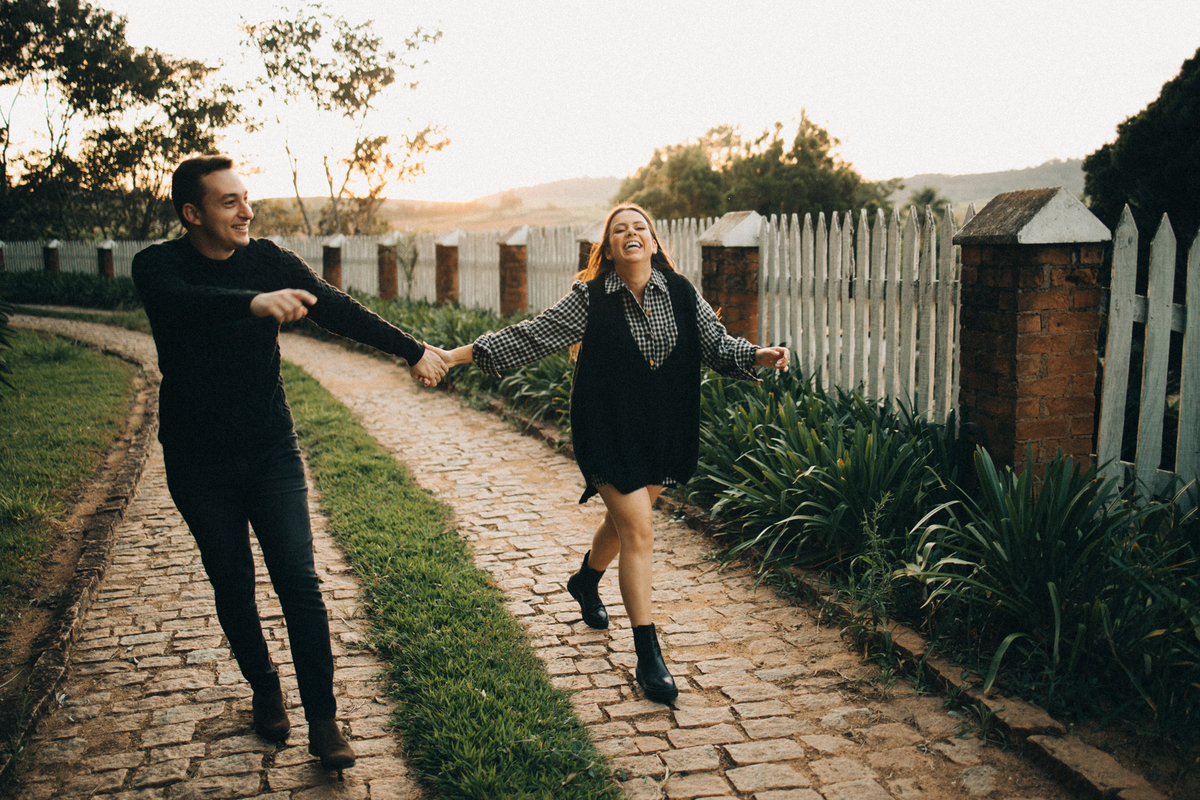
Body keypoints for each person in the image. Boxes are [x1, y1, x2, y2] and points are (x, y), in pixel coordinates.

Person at [132, 155, 448, 772]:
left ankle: (324, 720)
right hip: (197, 460)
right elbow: (183, 303)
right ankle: (264, 686)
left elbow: (336, 308)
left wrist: (413, 350)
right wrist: (253, 303)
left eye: (246, 198)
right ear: (192, 213)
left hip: (270, 449)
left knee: (299, 584)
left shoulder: (271, 257)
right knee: (232, 583)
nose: (246, 210)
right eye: (229, 202)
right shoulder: (158, 265)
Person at [433, 203, 789, 703]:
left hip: (662, 429)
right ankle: (649, 655)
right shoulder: (590, 298)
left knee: (624, 524)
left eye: (639, 227)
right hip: (606, 427)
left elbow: (716, 345)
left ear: (654, 240)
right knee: (640, 529)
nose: (631, 233)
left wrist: (757, 355)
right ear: (610, 246)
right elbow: (531, 336)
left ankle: (585, 580)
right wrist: (455, 355)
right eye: (620, 229)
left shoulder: (684, 293)